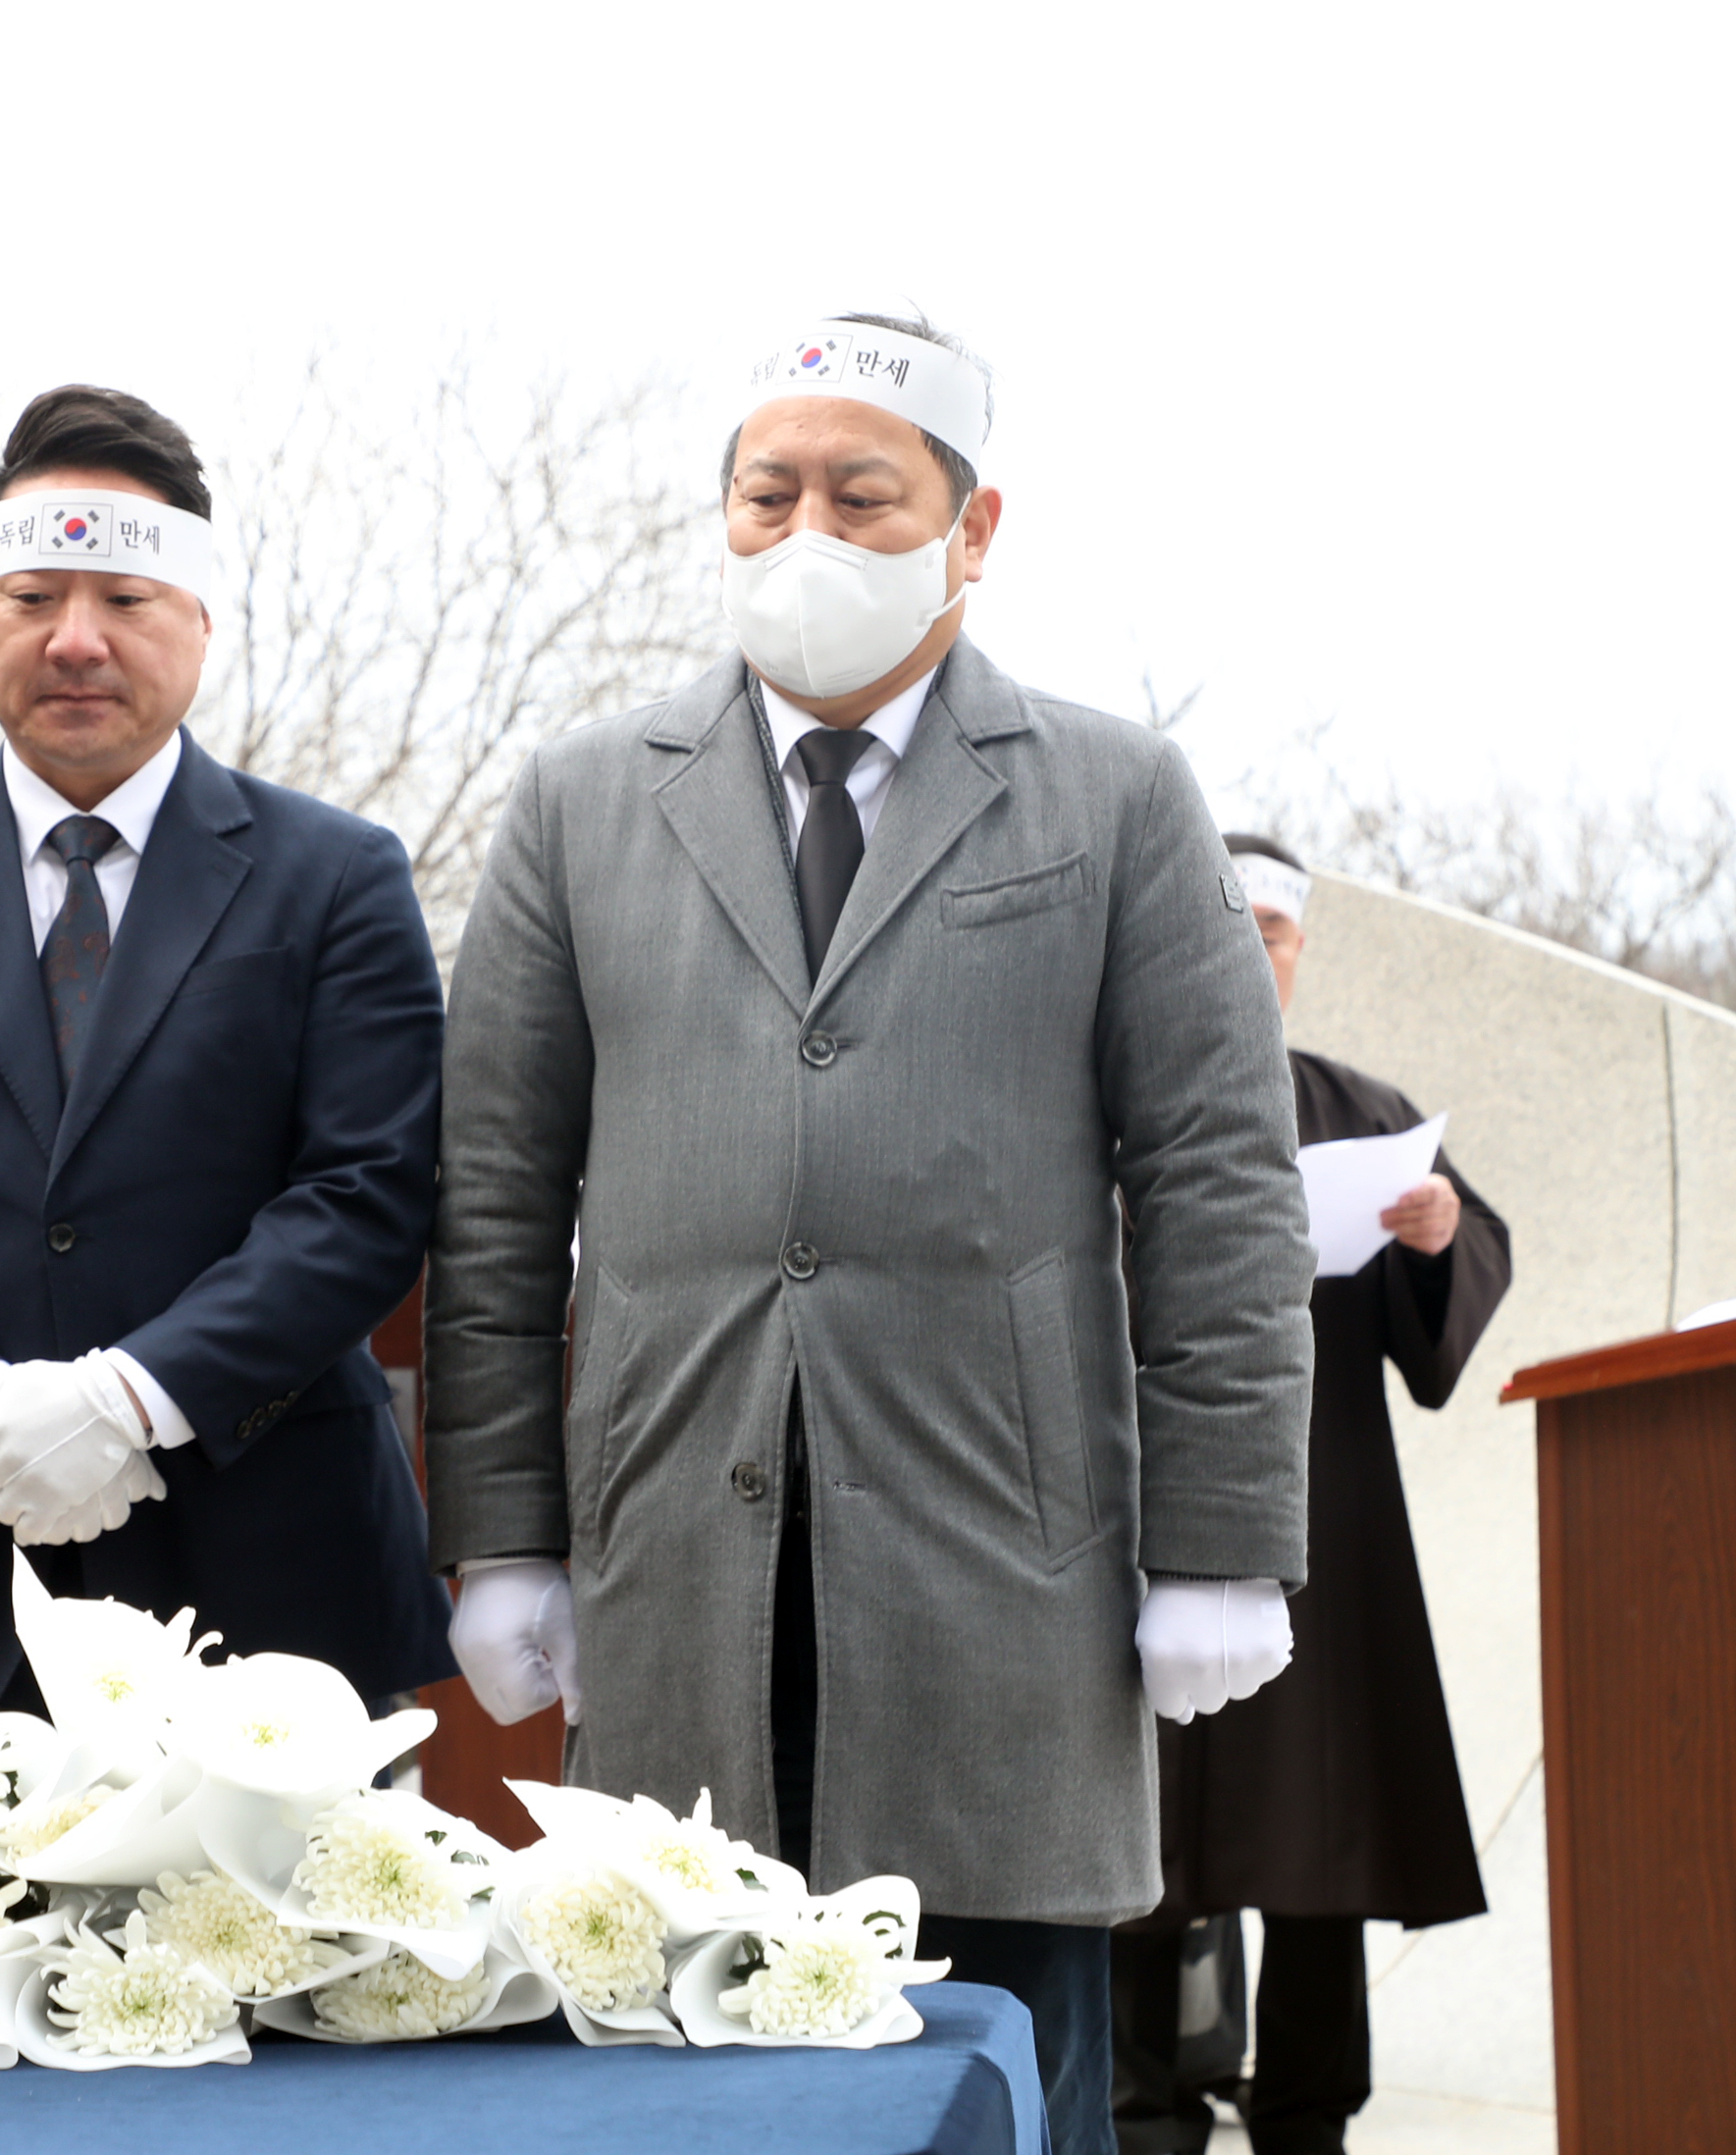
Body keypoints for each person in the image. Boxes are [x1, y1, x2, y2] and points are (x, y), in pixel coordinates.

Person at [422, 314, 1315, 2155]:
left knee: (993, 2083)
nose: (806, 529)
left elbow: (1220, 1174)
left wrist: (1225, 1541)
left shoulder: (1116, 794)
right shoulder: (587, 801)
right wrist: (500, 1534)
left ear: (972, 530)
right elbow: (497, 1198)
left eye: (862, 491)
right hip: (680, 1562)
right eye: (770, 492)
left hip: (1003, 1584)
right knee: (686, 2082)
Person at [0, 385, 451, 1724]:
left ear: (197, 621)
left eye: (124, 602)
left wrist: (132, 1402)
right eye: (31, 597)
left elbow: (366, 1193)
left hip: (266, 1590)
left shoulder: (337, 878)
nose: (75, 640)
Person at [1112, 836, 1510, 2155]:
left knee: (1318, 1840)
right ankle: (1133, 2111)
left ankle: (1304, 2117)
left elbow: (1432, 1328)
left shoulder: (1360, 1114)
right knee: (1131, 1831)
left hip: (1315, 1528)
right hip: (1136, 1518)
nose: (1246, 952)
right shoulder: (1100, 1101)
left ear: (1295, 954)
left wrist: (1437, 1236)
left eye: (1270, 932)